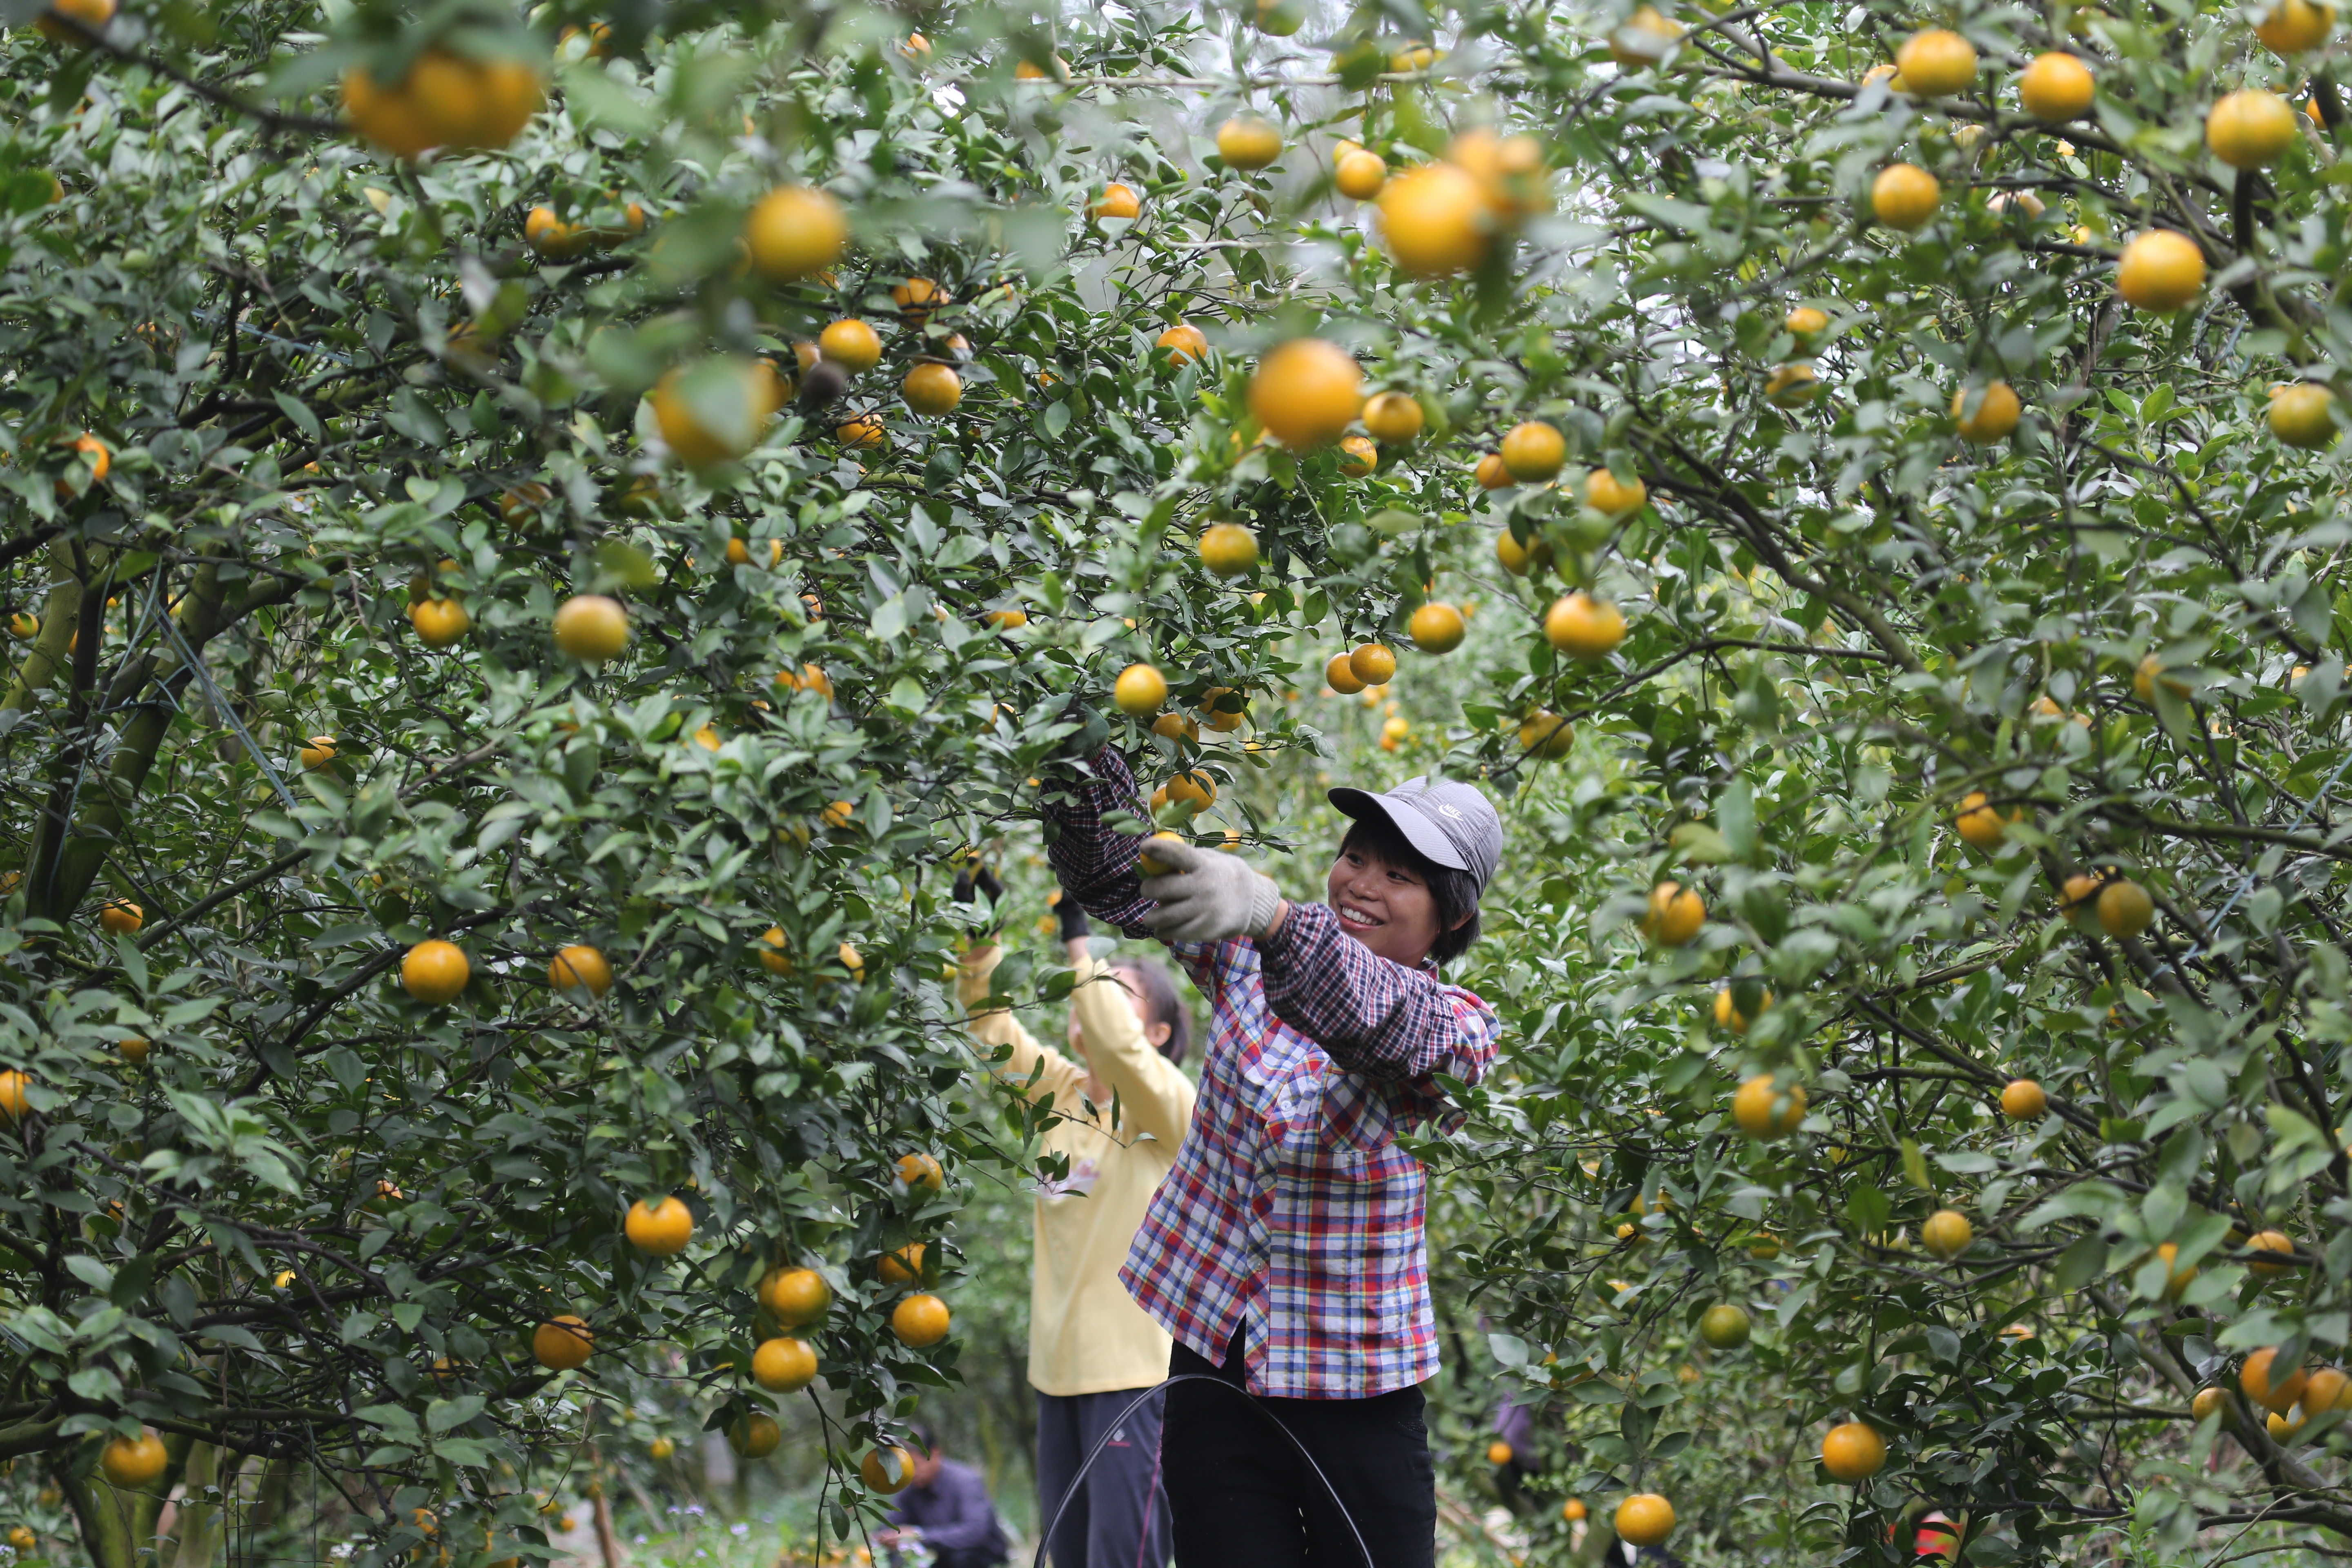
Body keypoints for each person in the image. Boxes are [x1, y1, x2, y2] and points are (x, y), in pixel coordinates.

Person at [1041, 748, 1502, 1568]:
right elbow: (1118, 879)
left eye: (1398, 875)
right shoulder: (1252, 958)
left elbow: (1383, 1023)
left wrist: (1275, 917)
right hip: (1216, 1369)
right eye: (1355, 857)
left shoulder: (1458, 1027)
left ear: (1451, 918)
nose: (1362, 882)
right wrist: (1078, 736)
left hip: (1356, 1392)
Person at [958, 872, 1196, 1568]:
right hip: (1058, 1371)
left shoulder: (1166, 1113)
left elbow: (1121, 1054)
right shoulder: (1059, 1093)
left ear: (1155, 1032)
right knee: (1069, 1555)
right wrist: (982, 941)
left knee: (1124, 1558)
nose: (1087, 1006)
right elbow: (991, 1028)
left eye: (1114, 996)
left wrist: (1079, 940)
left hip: (1134, 1375)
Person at [878, 1425, 1010, 1568]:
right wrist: (887, 1537)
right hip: (939, 1558)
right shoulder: (910, 1489)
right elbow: (890, 1524)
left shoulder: (965, 1482)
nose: (911, 1473)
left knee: (962, 1558)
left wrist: (919, 1535)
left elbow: (975, 1532)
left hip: (981, 1558)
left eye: (915, 1465)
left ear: (935, 1453)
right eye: (903, 1468)